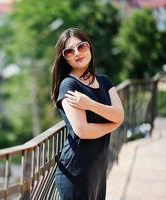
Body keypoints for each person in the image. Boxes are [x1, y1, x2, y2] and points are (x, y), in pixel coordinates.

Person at [51, 28, 124, 200]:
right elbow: (82, 130)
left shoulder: (105, 81)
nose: (77, 53)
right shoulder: (68, 86)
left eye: (81, 47)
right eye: (69, 51)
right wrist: (113, 123)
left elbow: (119, 114)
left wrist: (89, 104)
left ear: (89, 47)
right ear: (64, 58)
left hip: (98, 169)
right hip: (76, 172)